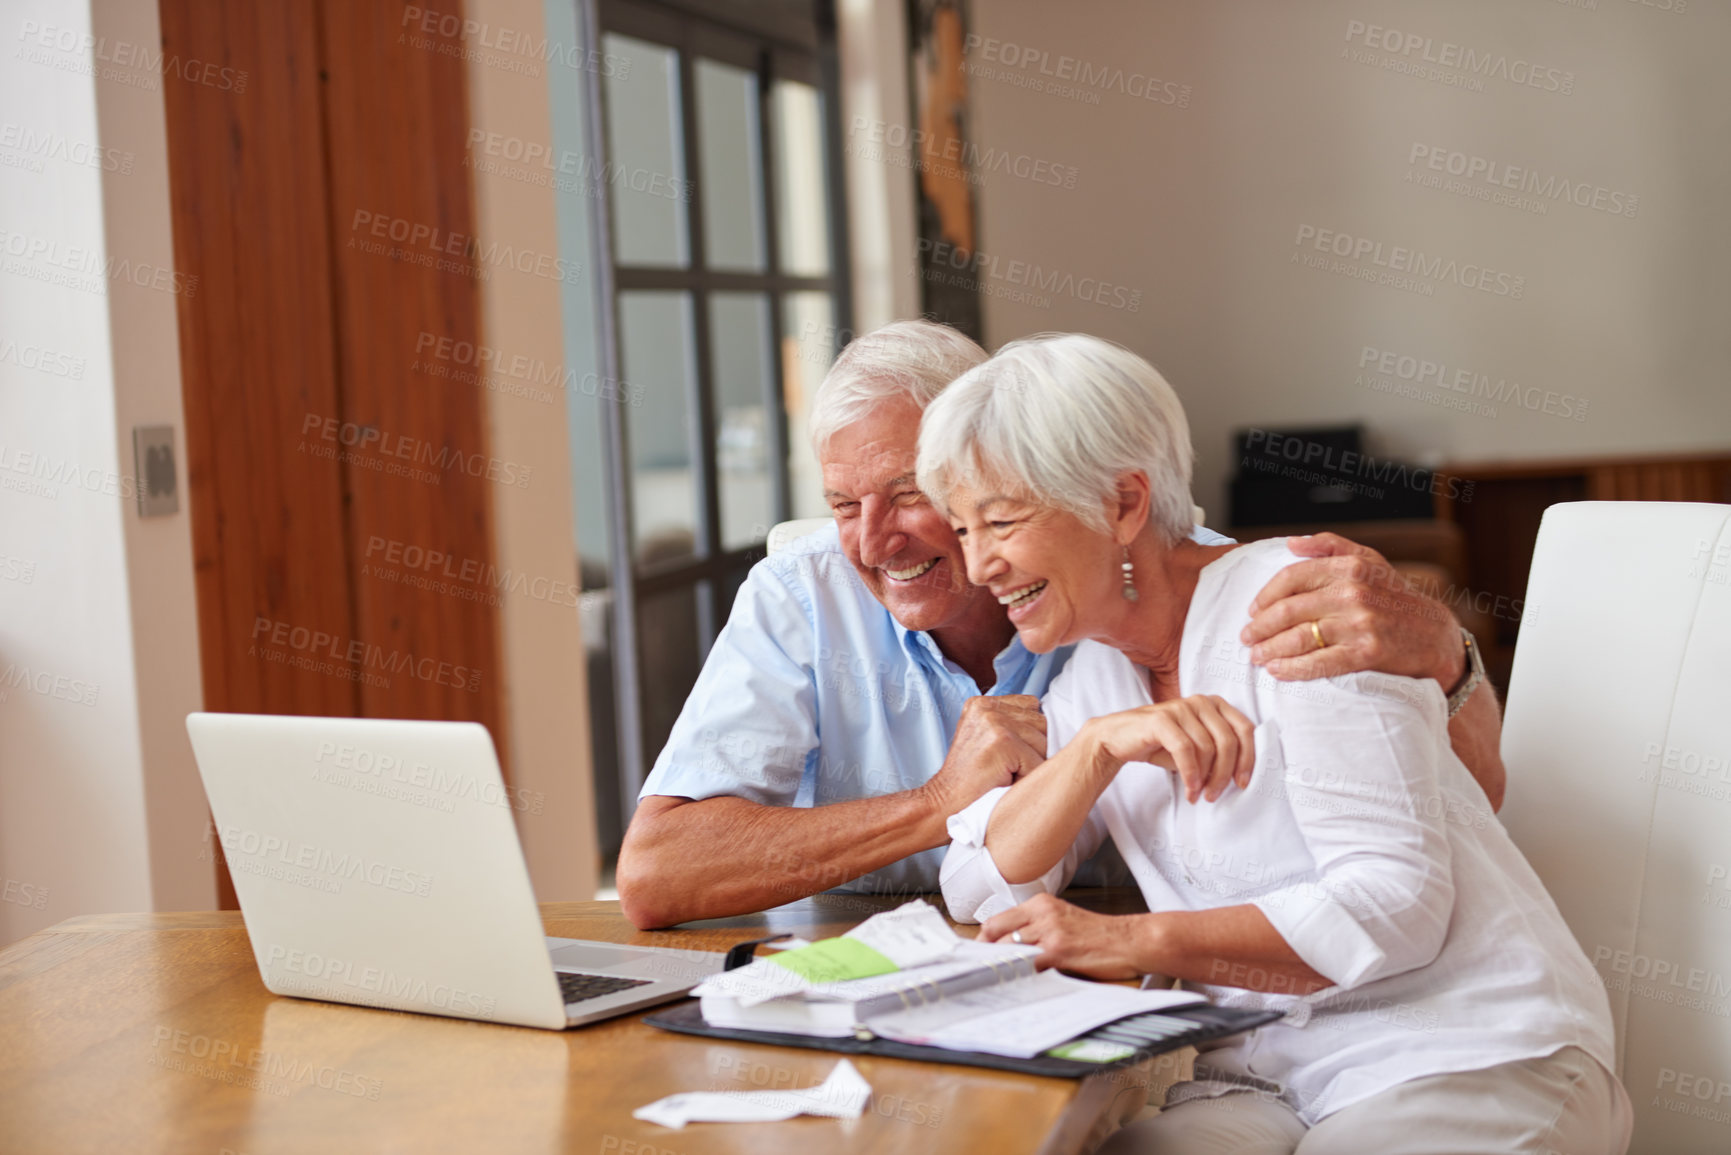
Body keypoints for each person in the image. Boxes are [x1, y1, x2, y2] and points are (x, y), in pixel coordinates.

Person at [919, 334, 1626, 1153]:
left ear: (1122, 504)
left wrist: (1134, 940)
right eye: (964, 530)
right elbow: (980, 886)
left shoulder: (1295, 609)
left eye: (1000, 521)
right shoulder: (1095, 678)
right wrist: (1093, 752)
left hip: (1462, 1049)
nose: (979, 566)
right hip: (1263, 1076)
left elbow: (1393, 907)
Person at [616, 320, 1505, 930]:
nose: (871, 540)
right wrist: (934, 805)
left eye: (911, 496)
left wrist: (1441, 655)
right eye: (842, 503)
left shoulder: (1162, 580)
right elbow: (657, 874)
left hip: (1146, 983)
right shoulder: (800, 594)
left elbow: (1452, 818)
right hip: (882, 984)